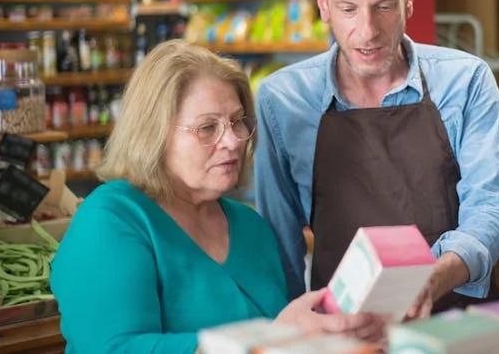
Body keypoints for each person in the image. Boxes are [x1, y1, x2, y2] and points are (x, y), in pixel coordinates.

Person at [50, 41, 386, 353]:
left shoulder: (251, 227)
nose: (234, 140)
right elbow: (114, 348)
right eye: (208, 127)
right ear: (153, 133)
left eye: (237, 121)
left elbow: (291, 336)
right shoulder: (112, 218)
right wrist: (268, 340)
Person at [254, 0, 499, 315]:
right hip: (342, 330)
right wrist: (297, 330)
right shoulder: (283, 100)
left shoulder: (465, 81)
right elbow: (278, 240)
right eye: (348, 9)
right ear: (323, 4)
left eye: (384, 5)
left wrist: (430, 280)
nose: (368, 31)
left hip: (452, 321)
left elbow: (490, 208)